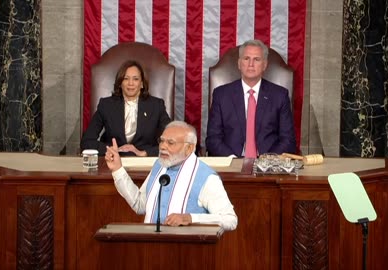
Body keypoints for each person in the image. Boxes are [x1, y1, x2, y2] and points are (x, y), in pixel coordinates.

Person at [105, 120, 238, 231]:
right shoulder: (159, 165)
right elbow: (140, 204)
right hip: (150, 249)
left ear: (189, 148)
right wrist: (117, 169)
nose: (163, 146)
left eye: (171, 143)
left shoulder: (206, 177)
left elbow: (230, 219)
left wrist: (190, 218)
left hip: (186, 254)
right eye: (162, 141)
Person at [206, 39, 296, 157]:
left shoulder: (279, 95)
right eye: (246, 58)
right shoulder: (221, 94)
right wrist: (232, 160)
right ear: (239, 63)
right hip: (231, 162)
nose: (251, 64)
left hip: (267, 165)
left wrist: (267, 160)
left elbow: (288, 140)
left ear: (264, 65)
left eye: (257, 59)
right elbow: (213, 139)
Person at [81, 60, 171, 156]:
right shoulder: (106, 105)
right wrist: (112, 150)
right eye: (126, 78)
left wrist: (144, 153)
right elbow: (87, 141)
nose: (130, 83)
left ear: (142, 84)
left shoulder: (156, 105)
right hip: (112, 160)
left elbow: (173, 141)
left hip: (144, 162)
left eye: (135, 79)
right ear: (120, 83)